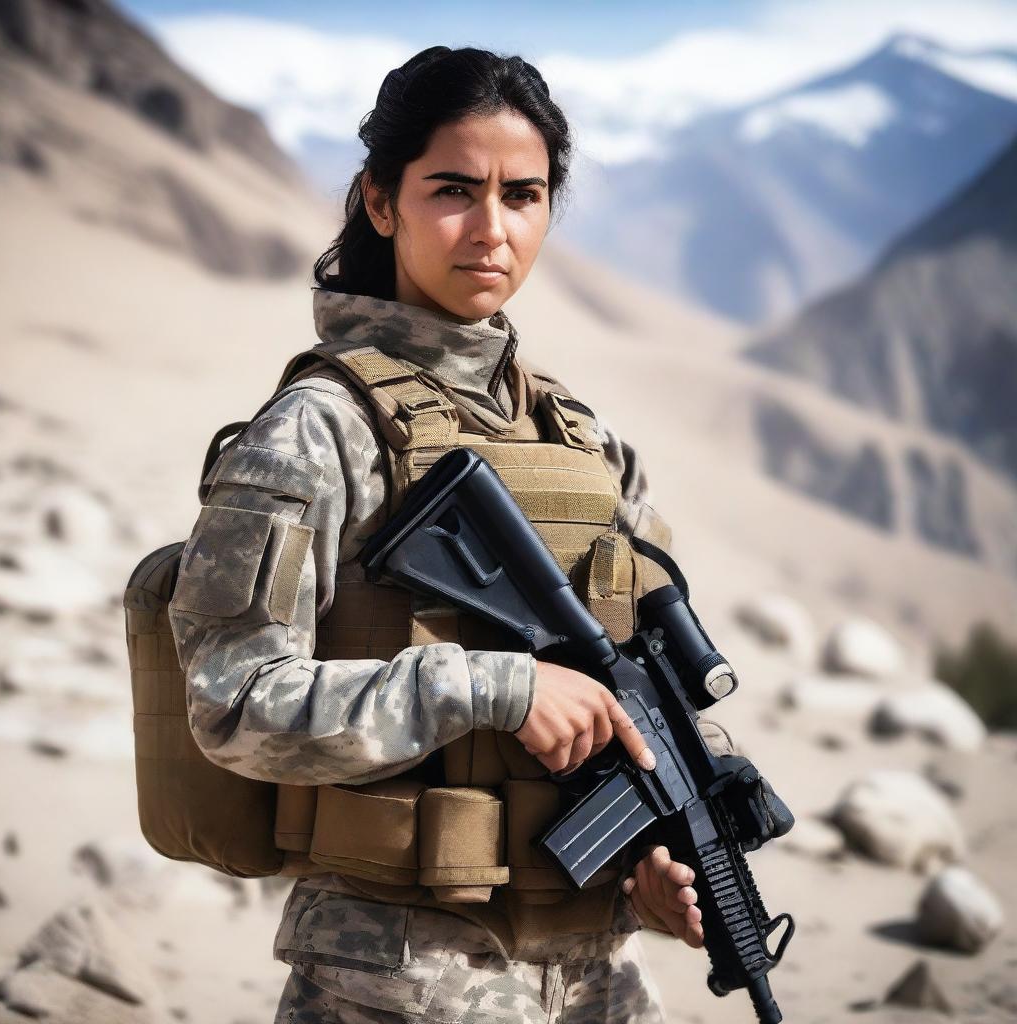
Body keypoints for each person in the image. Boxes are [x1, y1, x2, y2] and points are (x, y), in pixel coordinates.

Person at [168, 45, 736, 1024]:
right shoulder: (318, 428)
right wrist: (492, 687)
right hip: (395, 973)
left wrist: (650, 863)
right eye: (452, 190)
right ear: (379, 201)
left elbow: (630, 699)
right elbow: (233, 703)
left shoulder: (585, 441)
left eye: (523, 194)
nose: (489, 228)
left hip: (590, 972)